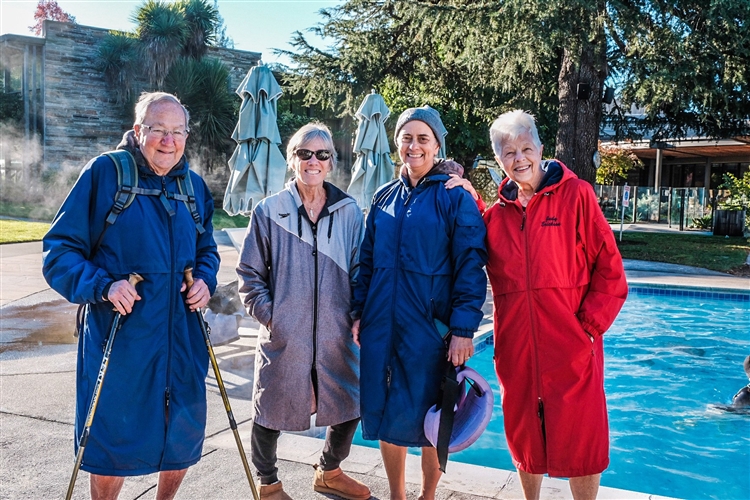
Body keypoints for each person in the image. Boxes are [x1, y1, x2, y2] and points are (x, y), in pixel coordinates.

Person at [42, 92, 220, 499]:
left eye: (178, 132)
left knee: (182, 434)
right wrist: (104, 285)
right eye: (158, 130)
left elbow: (206, 248)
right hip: (121, 338)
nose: (169, 140)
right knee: (111, 441)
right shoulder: (106, 173)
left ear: (187, 136)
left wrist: (205, 280)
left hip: (182, 335)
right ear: (139, 131)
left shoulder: (193, 186)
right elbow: (59, 252)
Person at [483, 110, 628, 500]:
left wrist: (588, 328)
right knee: (524, 435)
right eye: (508, 152)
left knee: (582, 438)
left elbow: (611, 270)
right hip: (518, 349)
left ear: (540, 148)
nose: (519, 159)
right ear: (499, 160)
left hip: (572, 345)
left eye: (526, 148)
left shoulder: (577, 194)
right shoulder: (494, 218)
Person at [351, 106, 488, 500]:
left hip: (430, 331)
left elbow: (470, 265)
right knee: (386, 411)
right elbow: (367, 260)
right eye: (406, 138)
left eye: (422, 138)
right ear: (397, 144)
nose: (414, 146)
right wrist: (360, 312)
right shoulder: (382, 197)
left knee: (433, 418)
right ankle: (398, 495)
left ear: (436, 145)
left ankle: (427, 496)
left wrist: (463, 329)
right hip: (381, 327)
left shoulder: (452, 196)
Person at [236, 123, 370, 500]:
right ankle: (268, 484)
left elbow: (362, 269)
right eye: (304, 153)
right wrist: (272, 317)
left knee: (349, 402)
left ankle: (329, 471)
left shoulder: (348, 211)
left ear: (331, 163)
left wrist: (356, 314)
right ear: (292, 159)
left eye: (322, 154)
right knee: (269, 409)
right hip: (284, 334)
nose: (313, 161)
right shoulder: (269, 211)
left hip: (337, 332)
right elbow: (249, 273)